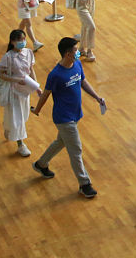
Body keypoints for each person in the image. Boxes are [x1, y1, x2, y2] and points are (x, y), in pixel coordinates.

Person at [31, 37, 106, 200]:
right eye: (75, 50)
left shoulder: (77, 64)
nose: (78, 52)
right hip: (64, 118)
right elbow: (46, 94)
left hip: (75, 114)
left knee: (61, 142)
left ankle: (41, 164)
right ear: (67, 54)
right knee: (76, 150)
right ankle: (84, 184)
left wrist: (96, 97)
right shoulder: (55, 75)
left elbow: (83, 82)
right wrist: (37, 109)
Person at [0, 28, 37, 157]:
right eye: (19, 40)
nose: (22, 42)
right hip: (13, 91)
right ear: (12, 42)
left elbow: (31, 70)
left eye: (24, 39)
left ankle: (8, 126)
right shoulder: (8, 57)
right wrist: (16, 80)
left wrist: (36, 86)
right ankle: (21, 144)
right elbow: (0, 74)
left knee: (23, 115)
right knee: (18, 118)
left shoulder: (29, 53)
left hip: (25, 90)